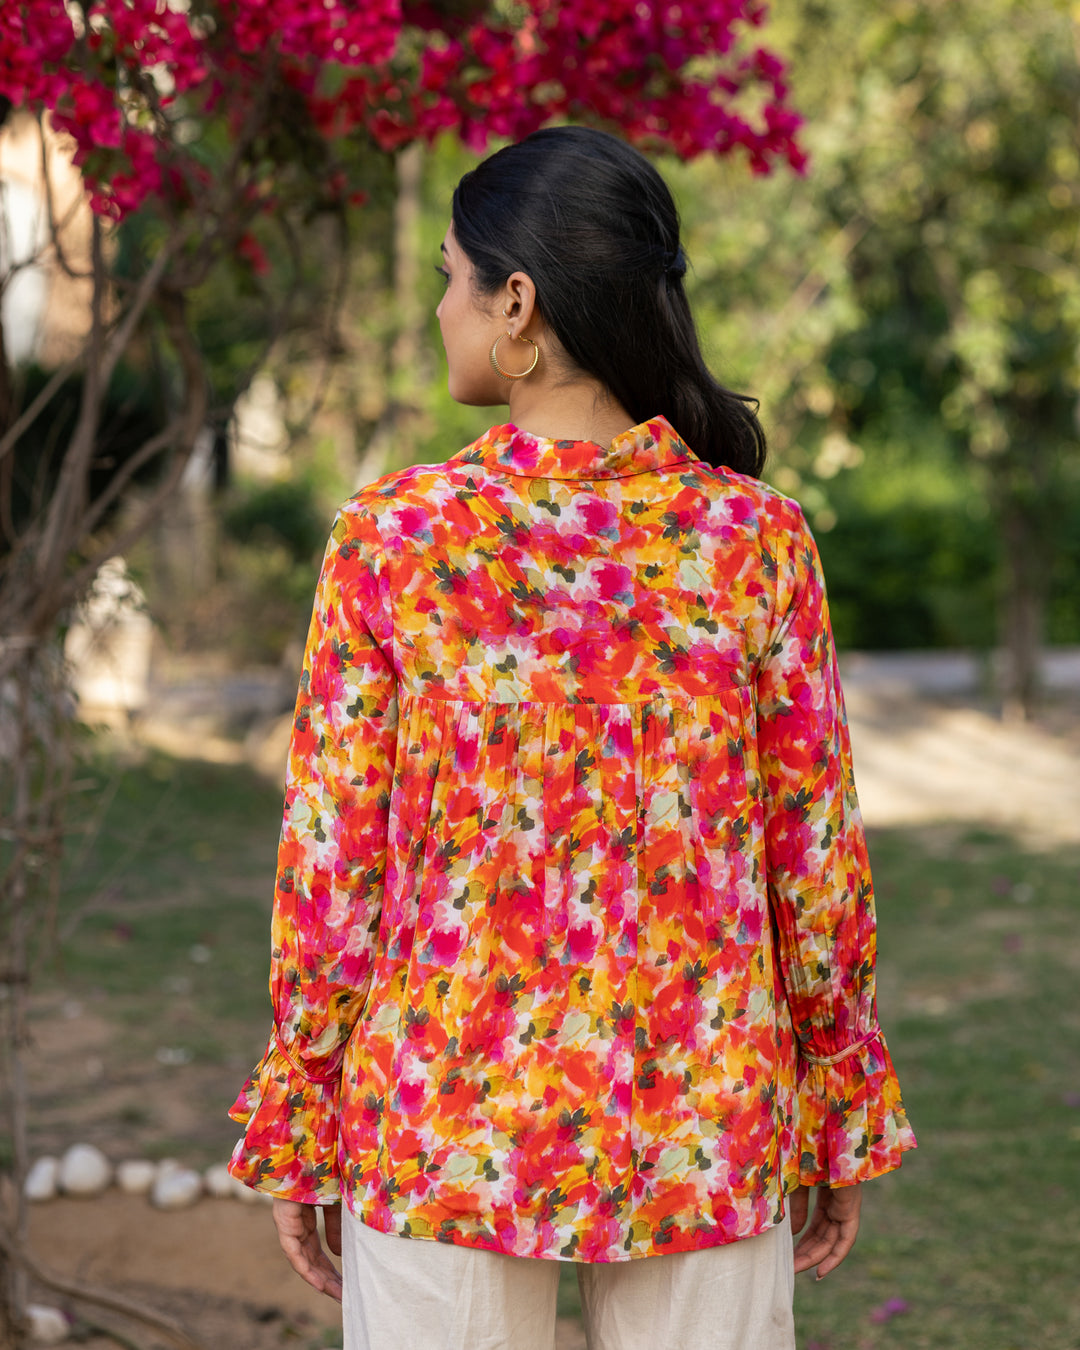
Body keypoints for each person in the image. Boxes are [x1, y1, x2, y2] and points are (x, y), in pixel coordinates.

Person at [228, 125, 916, 1350]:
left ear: (519, 301)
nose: (440, 307)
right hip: (702, 1116)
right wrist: (834, 1106)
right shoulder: (750, 541)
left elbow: (335, 870)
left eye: (450, 275)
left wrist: (303, 1107)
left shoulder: (398, 539)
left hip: (445, 1113)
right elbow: (812, 862)